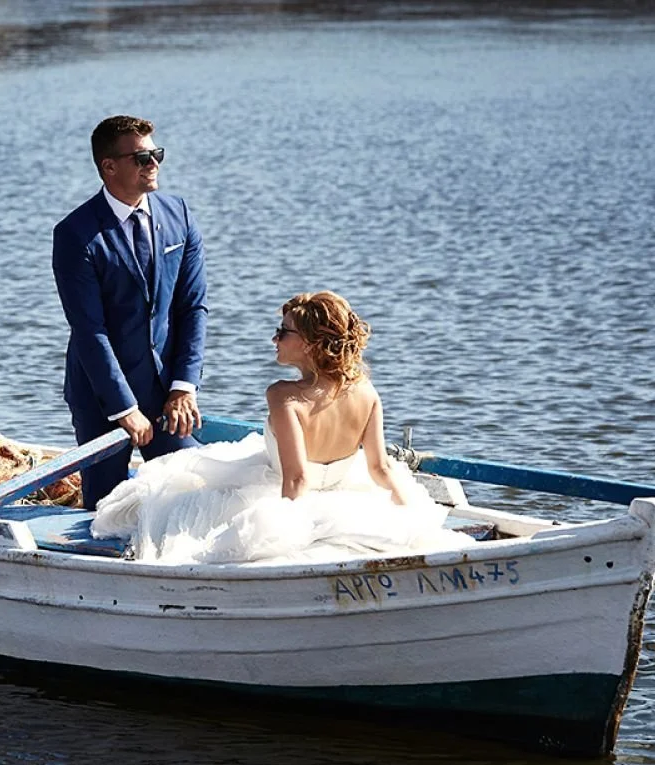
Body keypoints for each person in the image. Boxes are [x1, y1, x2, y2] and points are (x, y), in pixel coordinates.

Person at [92, 291, 475, 564]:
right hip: (344, 492)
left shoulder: (283, 396)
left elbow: (295, 480)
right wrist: (407, 512)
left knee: (171, 498)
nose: (274, 338)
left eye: (283, 331)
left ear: (309, 345)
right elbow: (380, 469)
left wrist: (285, 536)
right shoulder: (366, 392)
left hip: (288, 493)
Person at [52, 115, 208, 510]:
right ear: (109, 166)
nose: (153, 164)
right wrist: (124, 409)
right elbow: (90, 331)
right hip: (101, 396)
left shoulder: (179, 215)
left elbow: (192, 308)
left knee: (192, 495)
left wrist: (183, 387)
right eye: (141, 158)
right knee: (106, 510)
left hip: (166, 393)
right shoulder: (75, 235)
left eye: (157, 154)